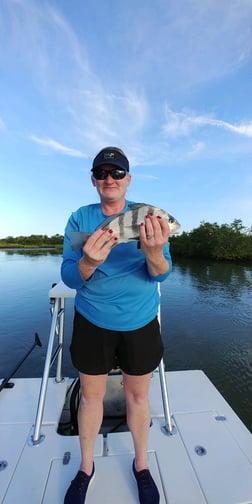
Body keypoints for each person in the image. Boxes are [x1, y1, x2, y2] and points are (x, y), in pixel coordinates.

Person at [61, 146, 172, 504]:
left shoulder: (150, 217)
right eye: (103, 173)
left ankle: (141, 466)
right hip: (93, 320)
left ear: (128, 179)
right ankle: (86, 467)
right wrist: (88, 261)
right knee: (91, 397)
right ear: (94, 180)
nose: (110, 179)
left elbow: (162, 274)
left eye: (117, 173)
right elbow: (69, 276)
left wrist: (154, 252)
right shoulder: (80, 218)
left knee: (138, 395)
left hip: (140, 321)